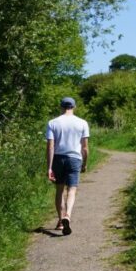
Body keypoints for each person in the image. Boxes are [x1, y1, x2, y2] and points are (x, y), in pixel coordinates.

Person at [45, 97, 89, 235]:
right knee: (72, 190)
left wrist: (49, 167)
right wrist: (84, 163)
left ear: (61, 107)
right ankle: (67, 215)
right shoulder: (82, 123)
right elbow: (85, 147)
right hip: (75, 158)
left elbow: (50, 147)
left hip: (58, 158)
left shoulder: (53, 123)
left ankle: (60, 221)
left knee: (59, 190)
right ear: (74, 107)